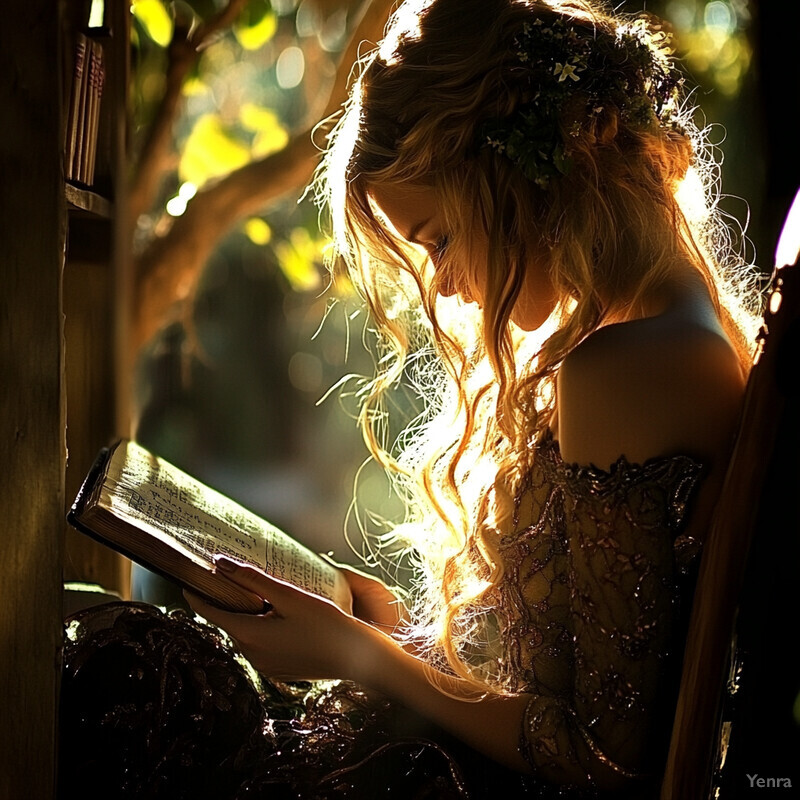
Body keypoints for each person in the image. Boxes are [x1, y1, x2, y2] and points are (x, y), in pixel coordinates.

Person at [60, 0, 763, 797]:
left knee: (116, 683)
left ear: (517, 178)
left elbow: (604, 761)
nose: (450, 287)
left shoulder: (634, 366)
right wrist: (386, 632)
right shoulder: (657, 335)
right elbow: (555, 684)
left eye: (439, 240)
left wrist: (365, 660)